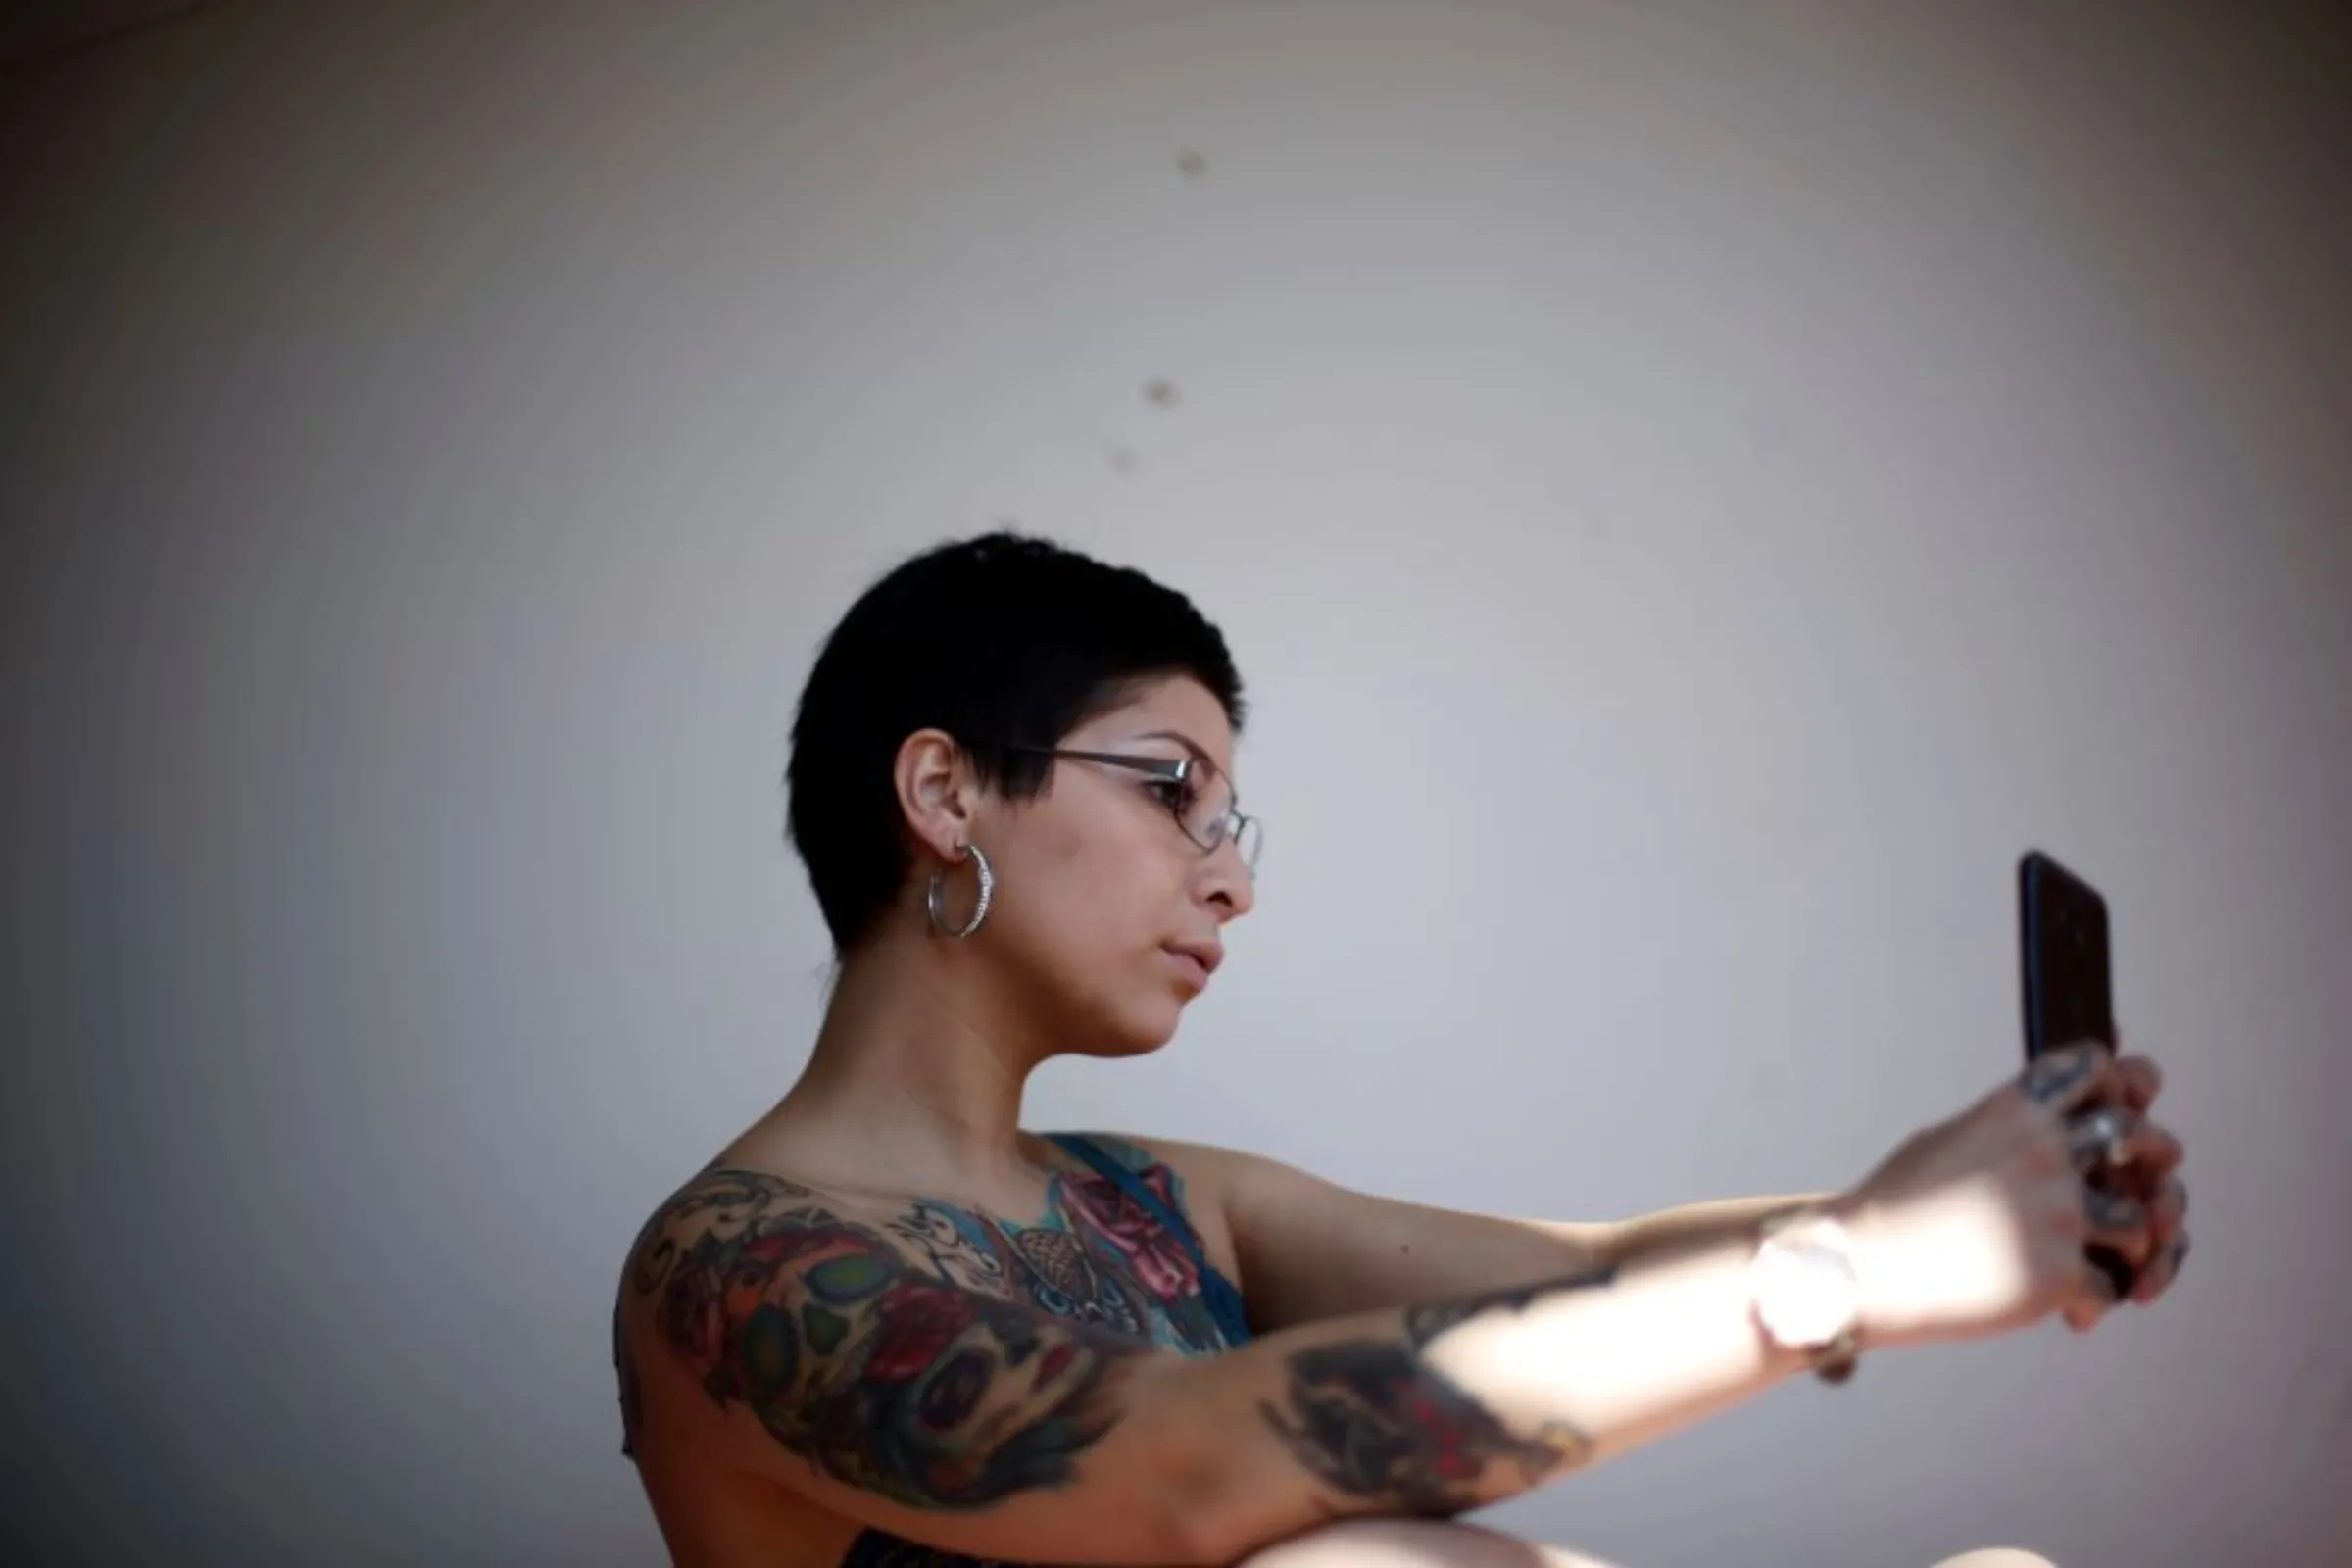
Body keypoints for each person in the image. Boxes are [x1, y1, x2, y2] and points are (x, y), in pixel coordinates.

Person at [612, 532, 2189, 1568]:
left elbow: (1587, 1281)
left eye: (1232, 822)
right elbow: (1184, 1468)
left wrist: (1966, 1206)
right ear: (947, 795)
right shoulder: (730, 1269)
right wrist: (1858, 1269)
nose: (1230, 876)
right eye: (1170, 790)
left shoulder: (1160, 1200)